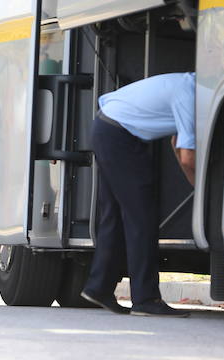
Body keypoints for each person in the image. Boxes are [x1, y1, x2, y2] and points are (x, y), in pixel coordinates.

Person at [81, 72, 196, 318]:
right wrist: (199, 187)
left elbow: (176, 141)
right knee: (141, 218)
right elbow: (187, 156)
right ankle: (146, 299)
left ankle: (99, 287)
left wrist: (193, 183)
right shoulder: (190, 95)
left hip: (105, 127)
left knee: (114, 216)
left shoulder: (186, 84)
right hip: (120, 136)